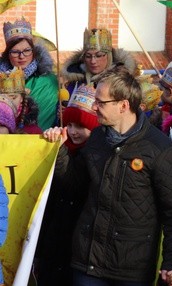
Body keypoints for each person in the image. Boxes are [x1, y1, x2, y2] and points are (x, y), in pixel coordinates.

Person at [42, 67, 172, 286]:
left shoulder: (159, 148)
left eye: (101, 102)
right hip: (89, 262)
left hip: (131, 269)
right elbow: (74, 184)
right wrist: (60, 151)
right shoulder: (97, 138)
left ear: (123, 105)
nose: (94, 107)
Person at [35, 85, 100, 286]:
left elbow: (73, 185)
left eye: (81, 126)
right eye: (69, 124)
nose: (73, 132)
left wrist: (61, 152)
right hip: (52, 242)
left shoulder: (98, 155)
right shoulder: (60, 145)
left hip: (80, 249)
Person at [0, 17, 58, 130]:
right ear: (8, 54)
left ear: (33, 52)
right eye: (15, 52)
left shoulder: (48, 81)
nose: (22, 56)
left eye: (27, 51)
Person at [61, 28, 138, 96]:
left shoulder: (122, 82)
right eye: (88, 56)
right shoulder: (76, 79)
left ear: (109, 56)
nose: (93, 61)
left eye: (98, 56)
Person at [0, 67, 41, 133]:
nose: (7, 102)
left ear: (21, 98)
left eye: (13, 97)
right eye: (2, 98)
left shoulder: (33, 131)